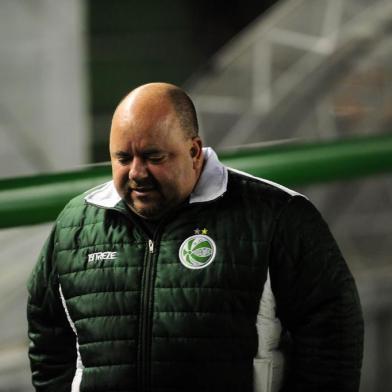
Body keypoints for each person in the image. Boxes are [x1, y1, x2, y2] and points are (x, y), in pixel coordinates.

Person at [27, 82, 364, 392]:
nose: (137, 173)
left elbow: (333, 335)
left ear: (194, 151)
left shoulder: (276, 216)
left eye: (153, 157)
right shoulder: (76, 225)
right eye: (123, 158)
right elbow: (48, 339)